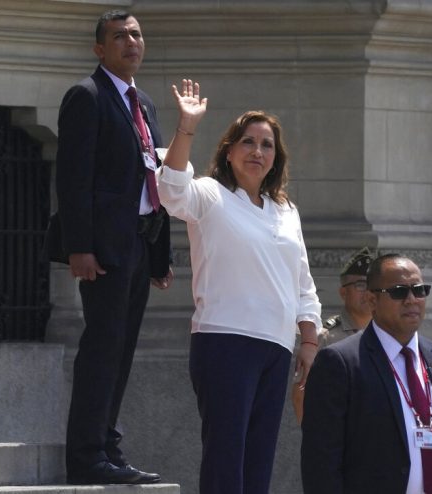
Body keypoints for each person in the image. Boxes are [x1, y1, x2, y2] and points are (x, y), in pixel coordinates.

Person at [156, 80, 322, 494]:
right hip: (225, 342)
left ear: (275, 158)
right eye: (248, 142)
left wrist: (309, 339)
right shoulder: (211, 195)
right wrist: (187, 127)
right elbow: (171, 192)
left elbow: (302, 280)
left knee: (258, 462)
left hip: (276, 347)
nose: (257, 152)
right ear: (228, 151)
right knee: (225, 459)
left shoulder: (285, 210)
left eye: (267, 145)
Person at [46, 9, 172, 485]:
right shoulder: (87, 95)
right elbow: (74, 178)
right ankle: (86, 454)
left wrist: (159, 257)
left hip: (139, 246)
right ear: (100, 49)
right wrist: (80, 246)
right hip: (102, 250)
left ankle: (109, 446)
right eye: (119, 36)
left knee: (122, 349)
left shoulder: (145, 104)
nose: (131, 42)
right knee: (102, 347)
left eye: (136, 34)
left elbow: (154, 182)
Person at [301, 254, 432, 494]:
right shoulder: (340, 364)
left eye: (420, 290)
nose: (412, 300)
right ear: (372, 300)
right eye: (399, 292)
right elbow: (321, 464)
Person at [291, 246, 374, 423]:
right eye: (360, 285)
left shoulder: (384, 337)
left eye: (372, 285)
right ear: (343, 292)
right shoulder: (325, 338)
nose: (367, 292)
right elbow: (301, 394)